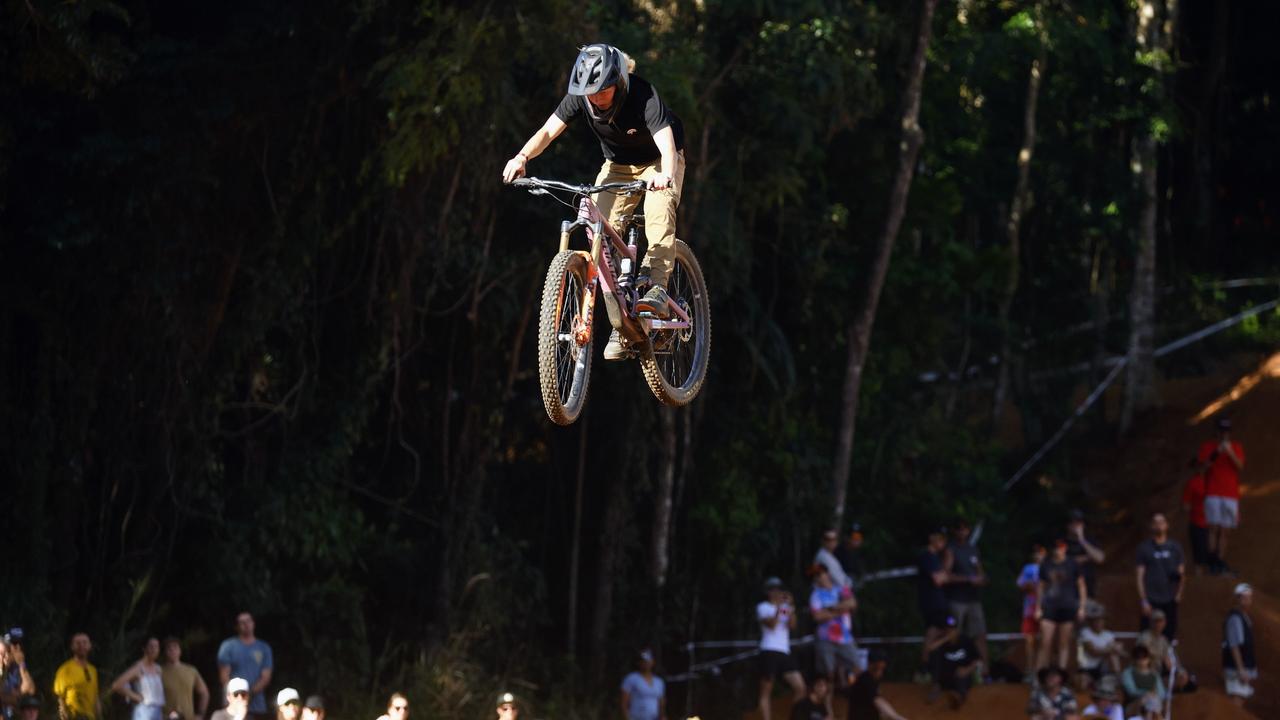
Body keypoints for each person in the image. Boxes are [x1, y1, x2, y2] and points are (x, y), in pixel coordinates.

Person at [501, 43, 686, 360]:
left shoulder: (643, 95)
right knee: (597, 226)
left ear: (619, 82)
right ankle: (624, 318)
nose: (596, 98)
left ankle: (656, 288)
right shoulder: (581, 98)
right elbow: (548, 131)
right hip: (617, 166)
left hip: (658, 162)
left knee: (657, 213)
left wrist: (665, 175)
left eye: (603, 91)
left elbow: (667, 146)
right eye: (589, 93)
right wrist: (522, 157)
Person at [1196, 416, 1245, 574]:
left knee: (1225, 530)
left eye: (1227, 431)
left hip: (1230, 494)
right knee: (1213, 528)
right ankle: (1211, 559)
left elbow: (1240, 466)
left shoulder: (1236, 447)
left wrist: (1229, 452)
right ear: (1216, 431)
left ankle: (1220, 560)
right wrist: (1217, 452)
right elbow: (1203, 467)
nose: (1224, 434)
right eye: (1222, 431)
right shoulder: (1208, 446)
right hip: (1213, 492)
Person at [943, 520, 988, 673]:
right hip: (957, 599)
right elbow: (945, 575)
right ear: (955, 532)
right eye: (959, 529)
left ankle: (984, 670)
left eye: (965, 529)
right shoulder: (951, 549)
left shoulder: (973, 549)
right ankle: (949, 669)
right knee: (954, 634)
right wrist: (967, 579)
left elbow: (979, 571)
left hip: (973, 599)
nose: (962, 532)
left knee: (979, 633)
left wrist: (981, 579)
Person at [756, 577, 805, 720]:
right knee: (766, 692)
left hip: (784, 651)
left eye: (779, 589)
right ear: (768, 592)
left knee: (800, 687)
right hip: (769, 650)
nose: (777, 592)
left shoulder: (785, 609)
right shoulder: (763, 607)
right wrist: (778, 608)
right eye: (774, 589)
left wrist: (791, 607)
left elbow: (793, 626)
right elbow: (771, 624)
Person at [1036, 540, 1086, 672]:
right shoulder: (1046, 564)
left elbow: (1081, 586)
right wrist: (1038, 607)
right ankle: (1041, 675)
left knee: (1064, 643)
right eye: (1057, 547)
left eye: (1061, 547)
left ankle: (1061, 675)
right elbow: (1040, 587)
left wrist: (1081, 607)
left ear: (1065, 548)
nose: (1058, 550)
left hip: (1067, 607)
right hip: (1049, 606)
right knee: (1045, 642)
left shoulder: (1072, 564)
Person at [1135, 513, 1185, 640]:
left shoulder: (1175, 548)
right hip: (1151, 599)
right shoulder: (1144, 548)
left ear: (1167, 525)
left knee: (1169, 635)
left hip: (1169, 599)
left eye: (1162, 522)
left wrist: (1178, 595)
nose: (1159, 525)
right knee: (1146, 635)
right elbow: (1140, 576)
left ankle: (1165, 659)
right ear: (1151, 526)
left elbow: (1181, 574)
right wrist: (1144, 600)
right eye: (1156, 522)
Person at [808, 564, 858, 690]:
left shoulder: (842, 589)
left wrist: (830, 609)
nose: (819, 578)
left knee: (856, 667)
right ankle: (827, 706)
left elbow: (852, 603)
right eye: (815, 576)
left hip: (845, 637)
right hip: (825, 639)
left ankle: (854, 692)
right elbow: (817, 617)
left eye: (820, 574)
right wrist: (841, 609)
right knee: (828, 675)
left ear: (827, 574)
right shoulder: (815, 595)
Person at [216, 613, 272, 720]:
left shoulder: (264, 648)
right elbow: (224, 677)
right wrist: (237, 697)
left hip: (257, 707)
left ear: (253, 623)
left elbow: (266, 677)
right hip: (232, 706)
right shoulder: (228, 646)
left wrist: (247, 695)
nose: (246, 624)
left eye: (248, 621)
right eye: (242, 622)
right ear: (237, 626)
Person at [915, 527, 951, 678]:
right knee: (934, 630)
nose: (943, 543)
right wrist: (947, 566)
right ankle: (925, 665)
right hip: (931, 602)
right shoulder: (927, 556)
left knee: (943, 630)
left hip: (938, 602)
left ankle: (932, 664)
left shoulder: (935, 557)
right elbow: (939, 579)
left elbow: (943, 578)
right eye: (940, 539)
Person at [924, 617, 980, 709]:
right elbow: (929, 649)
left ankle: (958, 697)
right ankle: (936, 686)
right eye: (948, 629)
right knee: (934, 654)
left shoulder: (966, 641)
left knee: (962, 677)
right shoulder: (941, 641)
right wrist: (946, 639)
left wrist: (967, 670)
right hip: (945, 675)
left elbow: (977, 659)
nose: (951, 631)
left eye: (953, 629)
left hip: (961, 674)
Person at [110, 638, 166, 720]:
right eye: (151, 646)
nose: (154, 649)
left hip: (157, 711)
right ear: (144, 649)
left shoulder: (158, 669)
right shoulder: (138, 667)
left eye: (156, 647)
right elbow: (116, 685)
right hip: (143, 711)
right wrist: (136, 697)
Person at [1135, 611, 1192, 692]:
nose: (1158, 624)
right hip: (1143, 672)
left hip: (1157, 674)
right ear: (1151, 622)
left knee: (1182, 678)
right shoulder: (1145, 637)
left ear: (1164, 623)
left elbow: (1169, 661)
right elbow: (1142, 656)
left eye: (1161, 621)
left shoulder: (1163, 640)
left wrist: (1179, 671)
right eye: (1156, 621)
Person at [846, 648, 908, 720]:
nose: (879, 673)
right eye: (876, 669)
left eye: (882, 669)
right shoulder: (866, 680)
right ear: (870, 665)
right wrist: (897, 717)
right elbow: (878, 701)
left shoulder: (871, 678)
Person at [1222, 582, 1257, 707]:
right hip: (1235, 669)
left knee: (1240, 700)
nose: (1248, 601)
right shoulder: (1235, 618)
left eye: (1249, 597)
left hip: (1243, 667)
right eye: (1244, 597)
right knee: (1236, 701)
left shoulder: (1244, 618)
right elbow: (1234, 645)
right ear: (1238, 599)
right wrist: (1241, 670)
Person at [53, 633, 101, 720]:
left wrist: (99, 715)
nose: (81, 646)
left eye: (85, 642)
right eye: (78, 643)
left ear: (90, 646)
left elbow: (95, 696)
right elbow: (60, 697)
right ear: (72, 647)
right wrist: (64, 716)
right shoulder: (65, 670)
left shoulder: (92, 670)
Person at [1076, 601, 1123, 690]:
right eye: (1096, 620)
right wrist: (1111, 649)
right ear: (1091, 621)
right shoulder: (1085, 633)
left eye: (1101, 620)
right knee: (1082, 684)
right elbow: (1093, 651)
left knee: (1114, 655)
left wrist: (1115, 649)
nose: (1098, 622)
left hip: (1102, 667)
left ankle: (1117, 676)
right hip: (1086, 668)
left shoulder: (1108, 634)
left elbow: (1116, 651)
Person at [1017, 544, 1047, 679]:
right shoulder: (1028, 568)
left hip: (1047, 609)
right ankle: (1030, 670)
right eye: (1035, 552)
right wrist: (1033, 585)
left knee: (1046, 639)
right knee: (1030, 640)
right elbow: (1021, 584)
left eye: (1040, 552)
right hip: (1029, 609)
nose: (1037, 555)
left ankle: (1043, 670)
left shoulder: (1049, 567)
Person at [161, 638, 209, 720]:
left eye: (175, 647)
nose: (172, 650)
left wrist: (200, 714)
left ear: (180, 651)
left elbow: (204, 693)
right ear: (165, 652)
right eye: (169, 648)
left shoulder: (191, 671)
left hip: (188, 717)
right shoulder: (158, 672)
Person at [1065, 510, 1105, 598]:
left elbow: (1100, 558)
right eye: (1074, 523)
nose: (1077, 526)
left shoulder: (1090, 541)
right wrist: (1088, 558)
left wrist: (1082, 540)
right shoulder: (1063, 543)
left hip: (1089, 591)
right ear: (1068, 525)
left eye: (1079, 523)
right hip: (1067, 593)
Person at [1179, 461, 1210, 575]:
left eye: (1204, 466)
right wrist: (1195, 507)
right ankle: (1199, 579)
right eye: (1200, 466)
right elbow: (1185, 505)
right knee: (1199, 553)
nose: (1202, 469)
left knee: (1210, 550)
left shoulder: (1213, 482)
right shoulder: (1192, 483)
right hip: (1197, 523)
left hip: (1211, 524)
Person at [1120, 645, 1165, 720]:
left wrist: (1152, 694)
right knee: (1147, 699)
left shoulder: (1154, 675)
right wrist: (1146, 693)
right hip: (1134, 705)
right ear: (1134, 659)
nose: (1142, 661)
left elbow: (1162, 693)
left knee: (1152, 701)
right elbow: (1131, 691)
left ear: (1148, 659)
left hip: (1154, 703)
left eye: (1144, 657)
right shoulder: (1128, 673)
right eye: (1139, 658)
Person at [620, 648, 665, 720]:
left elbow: (661, 703)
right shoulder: (631, 679)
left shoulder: (659, 682)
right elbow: (623, 703)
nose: (646, 663)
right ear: (639, 663)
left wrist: (662, 716)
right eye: (643, 661)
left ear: (652, 662)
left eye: (648, 661)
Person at [1, 635, 37, 720]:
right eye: (1, 654)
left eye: (7, 652)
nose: (4, 657)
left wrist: (21, 663)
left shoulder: (14, 669)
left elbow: (30, 690)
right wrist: (18, 696)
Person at [834, 523, 867, 589]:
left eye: (859, 537)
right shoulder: (838, 552)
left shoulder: (859, 554)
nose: (857, 539)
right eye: (854, 536)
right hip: (839, 589)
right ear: (847, 538)